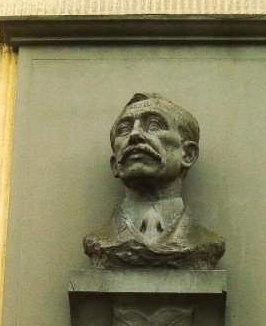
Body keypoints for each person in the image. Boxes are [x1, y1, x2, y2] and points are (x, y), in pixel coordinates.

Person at [83, 93, 225, 270]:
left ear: (188, 154)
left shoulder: (206, 242)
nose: (135, 135)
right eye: (124, 129)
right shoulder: (100, 241)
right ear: (114, 165)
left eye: (154, 125)